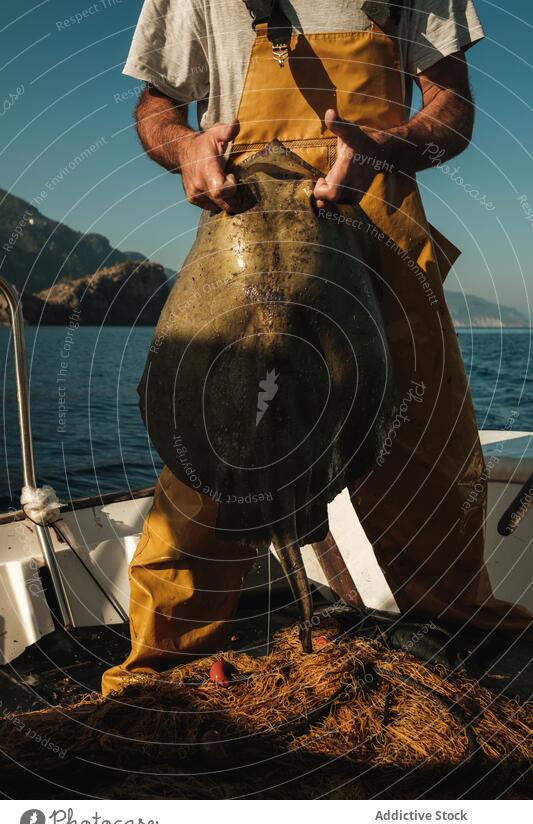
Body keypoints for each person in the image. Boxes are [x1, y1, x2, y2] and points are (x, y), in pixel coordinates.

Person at [102, 0, 531, 696]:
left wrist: (385, 148)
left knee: (424, 460)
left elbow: (451, 109)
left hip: (378, 234)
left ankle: (461, 650)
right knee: (210, 468)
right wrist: (184, 146)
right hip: (243, 246)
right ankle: (166, 671)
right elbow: (157, 109)